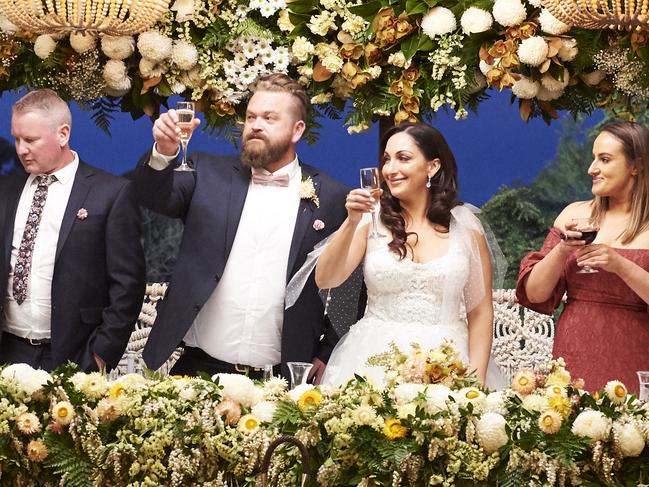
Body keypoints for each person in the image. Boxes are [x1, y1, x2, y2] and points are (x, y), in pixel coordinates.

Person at [135, 73, 349, 381]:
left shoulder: (331, 196)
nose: (256, 125)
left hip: (279, 379)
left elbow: (349, 286)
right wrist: (164, 151)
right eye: (251, 117)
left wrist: (327, 350)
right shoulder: (205, 171)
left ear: (297, 130)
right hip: (198, 369)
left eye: (269, 118)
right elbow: (152, 197)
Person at [315, 122, 505, 388]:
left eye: (403, 158)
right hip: (373, 359)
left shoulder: (466, 228)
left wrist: (475, 383)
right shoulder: (371, 220)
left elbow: (480, 312)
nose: (390, 170)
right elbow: (326, 279)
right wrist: (350, 222)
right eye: (386, 160)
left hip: (447, 360)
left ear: (432, 166)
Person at [0, 89, 145, 372]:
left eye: (30, 139)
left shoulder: (110, 194)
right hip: (8, 351)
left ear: (63, 134)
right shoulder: (6, 190)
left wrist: (99, 356)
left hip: (73, 356)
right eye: (17, 138)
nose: (20, 149)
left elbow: (128, 286)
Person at [517, 121, 649, 393]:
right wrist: (562, 249)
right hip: (574, 354)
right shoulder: (574, 215)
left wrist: (620, 266)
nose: (592, 169)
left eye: (605, 159)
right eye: (593, 158)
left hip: (634, 354)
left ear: (636, 166)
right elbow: (536, 293)